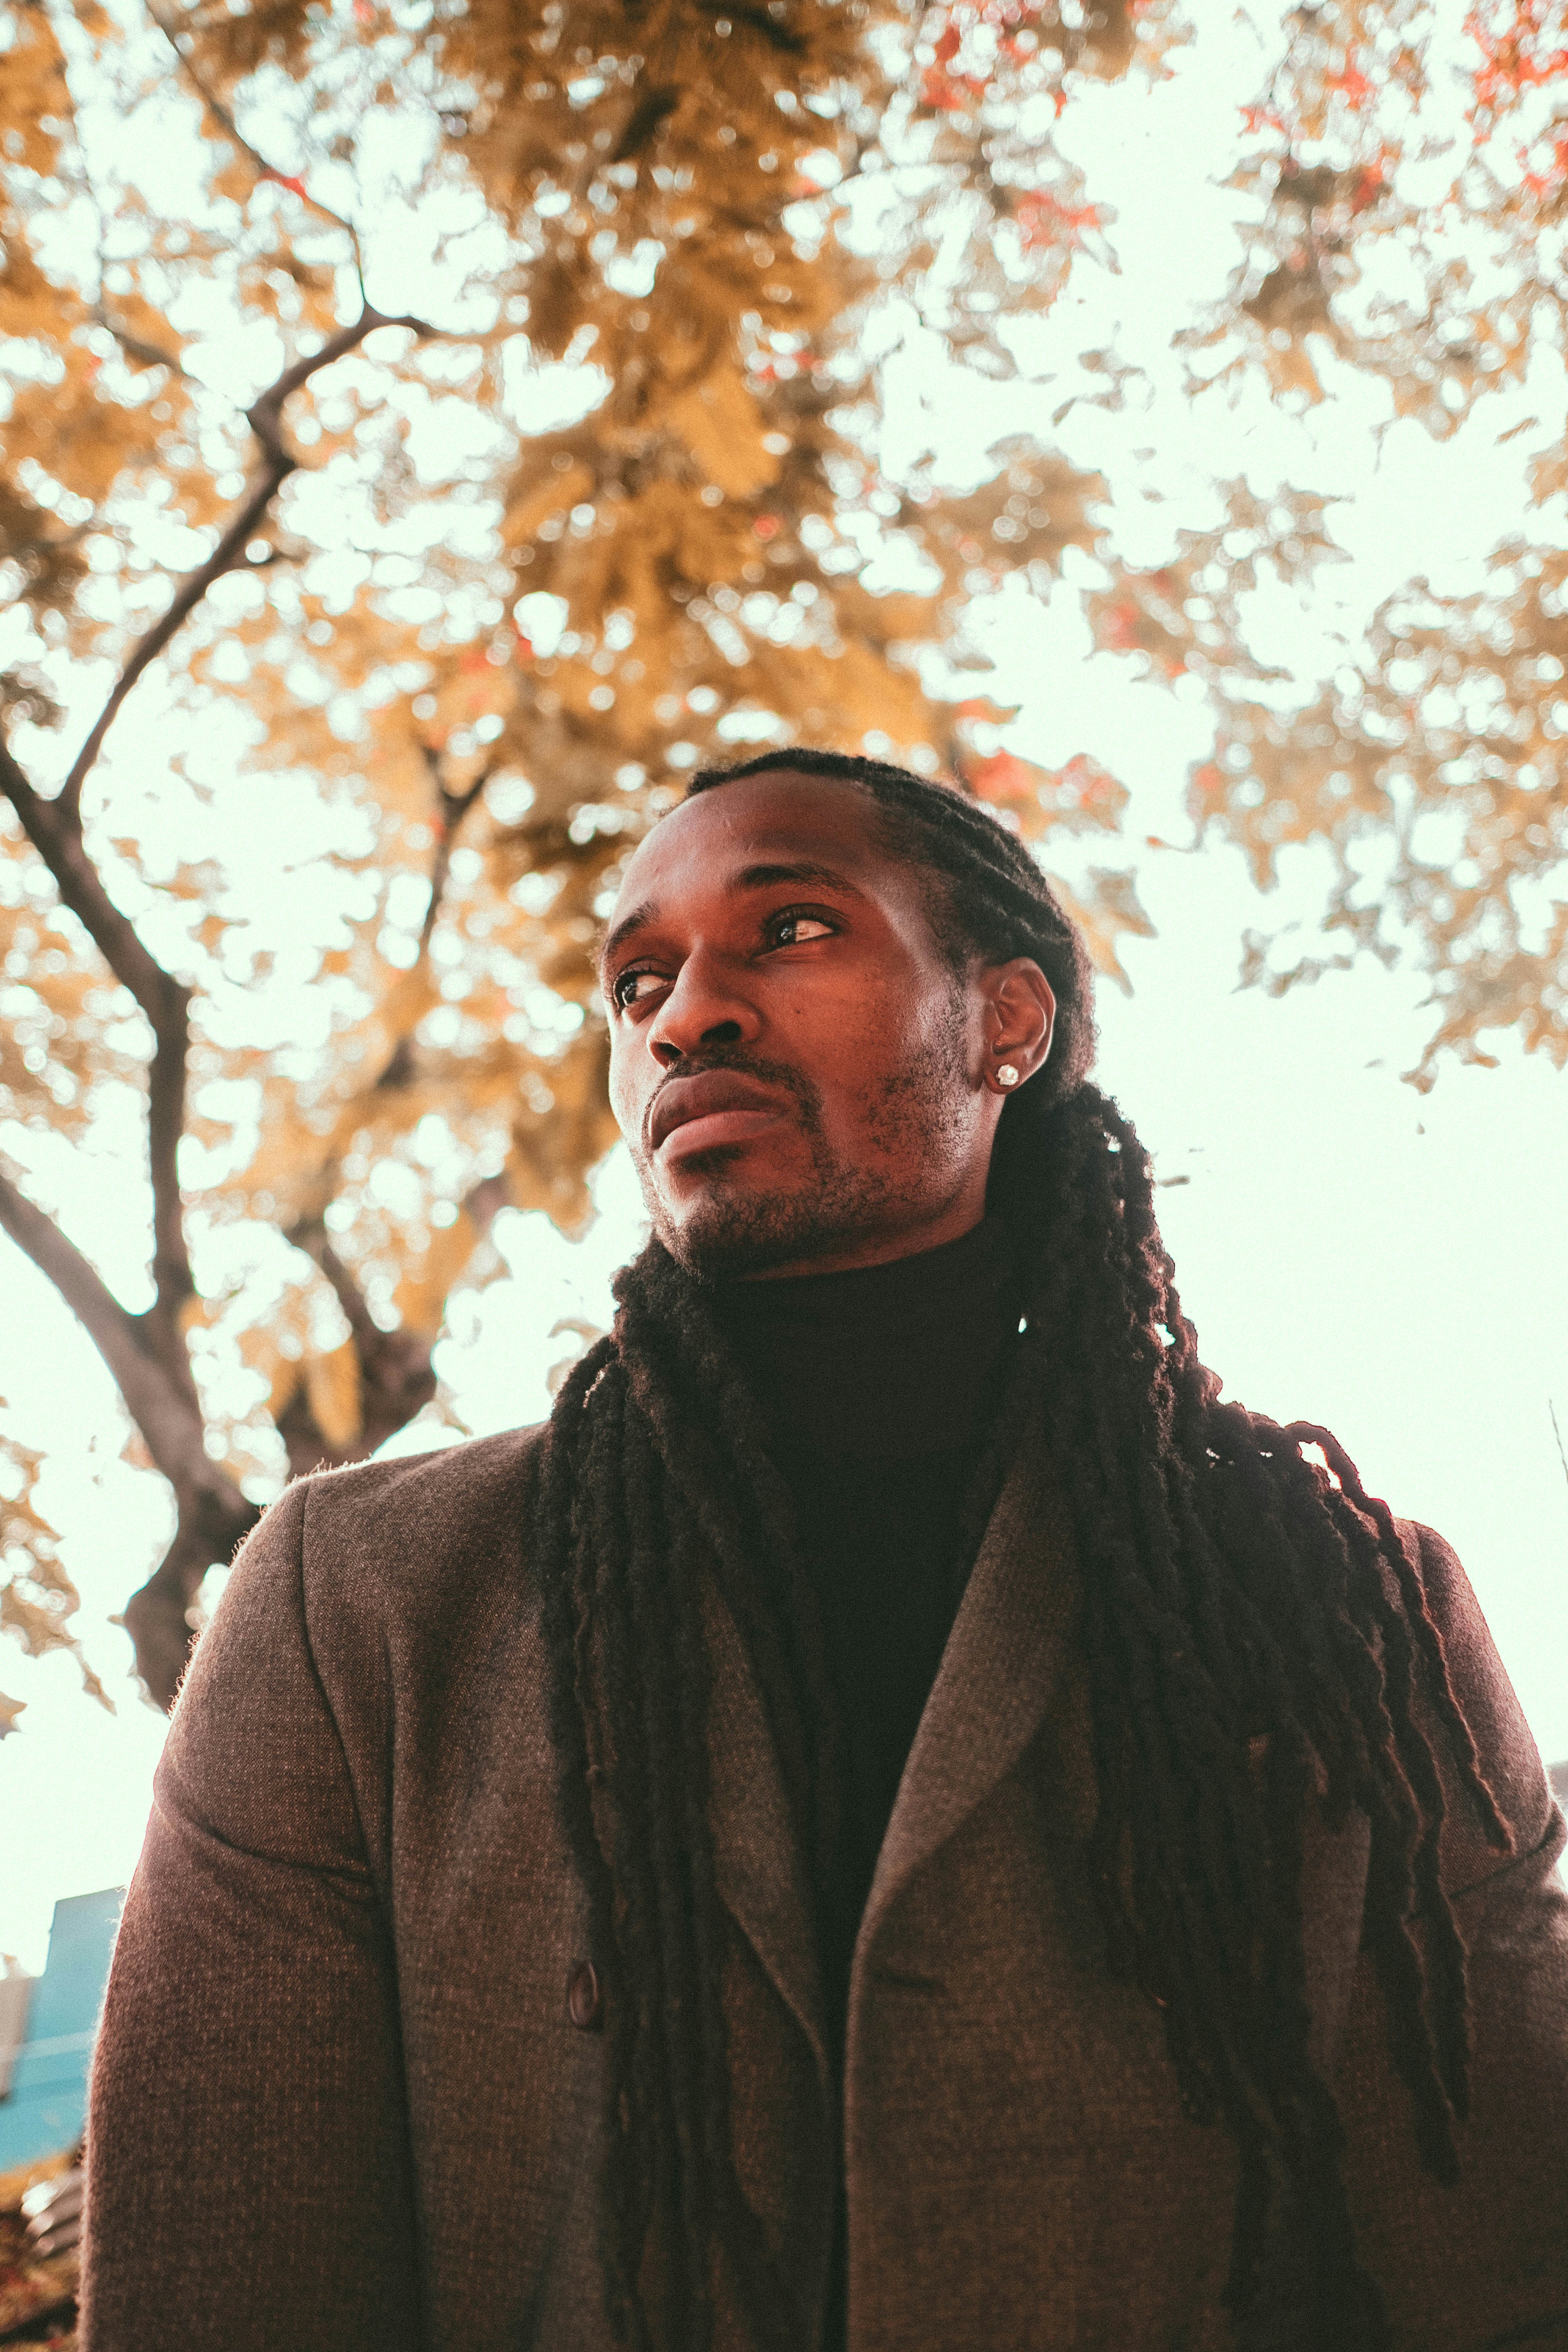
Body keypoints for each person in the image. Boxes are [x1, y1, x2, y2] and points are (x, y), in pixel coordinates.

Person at [80, 751, 1568, 2352]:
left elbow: (1492, 2271)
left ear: (1009, 1022)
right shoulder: (359, 1600)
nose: (685, 1014)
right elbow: (221, 2279)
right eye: (636, 979)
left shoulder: (1345, 1604)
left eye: (789, 931)